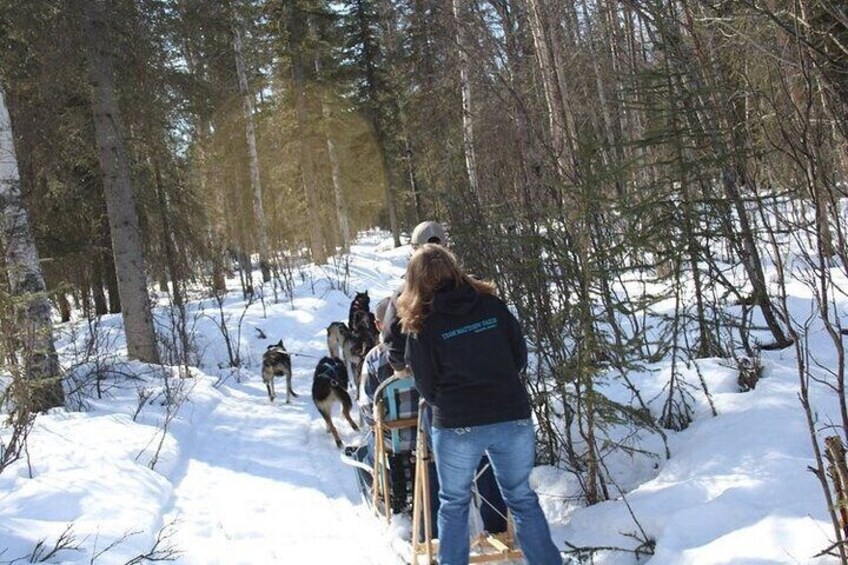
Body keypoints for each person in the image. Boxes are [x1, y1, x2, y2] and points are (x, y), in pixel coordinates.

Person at [398, 244, 561, 565]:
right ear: (454, 268)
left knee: (454, 504)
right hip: (510, 414)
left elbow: (426, 386)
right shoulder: (491, 304)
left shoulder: (421, 324)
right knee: (522, 498)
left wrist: (454, 404)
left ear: (415, 280)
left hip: (458, 423)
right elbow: (518, 356)